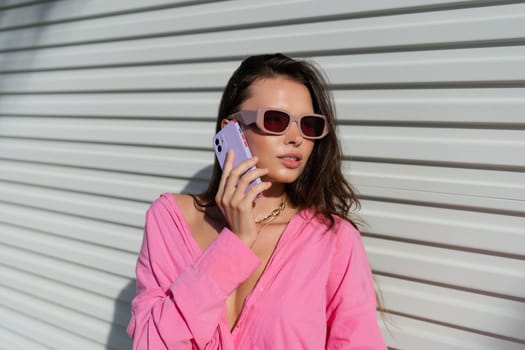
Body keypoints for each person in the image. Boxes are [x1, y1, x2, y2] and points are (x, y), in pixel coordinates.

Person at [127, 53, 387, 349]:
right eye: (276, 120)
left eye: (309, 125)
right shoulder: (171, 219)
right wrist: (235, 243)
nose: (296, 138)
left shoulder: (333, 240)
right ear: (230, 129)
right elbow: (151, 343)